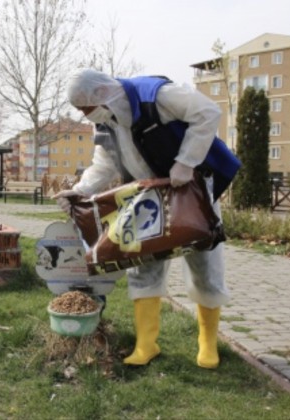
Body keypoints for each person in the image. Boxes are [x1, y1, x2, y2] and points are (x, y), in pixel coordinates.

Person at [55, 69, 240, 368]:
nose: (86, 116)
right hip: (147, 199)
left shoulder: (157, 96)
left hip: (190, 191)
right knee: (141, 265)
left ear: (102, 94)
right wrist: (79, 191)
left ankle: (207, 343)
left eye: (85, 108)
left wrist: (185, 162)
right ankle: (146, 344)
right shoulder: (105, 122)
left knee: (205, 264)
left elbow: (208, 111)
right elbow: (103, 165)